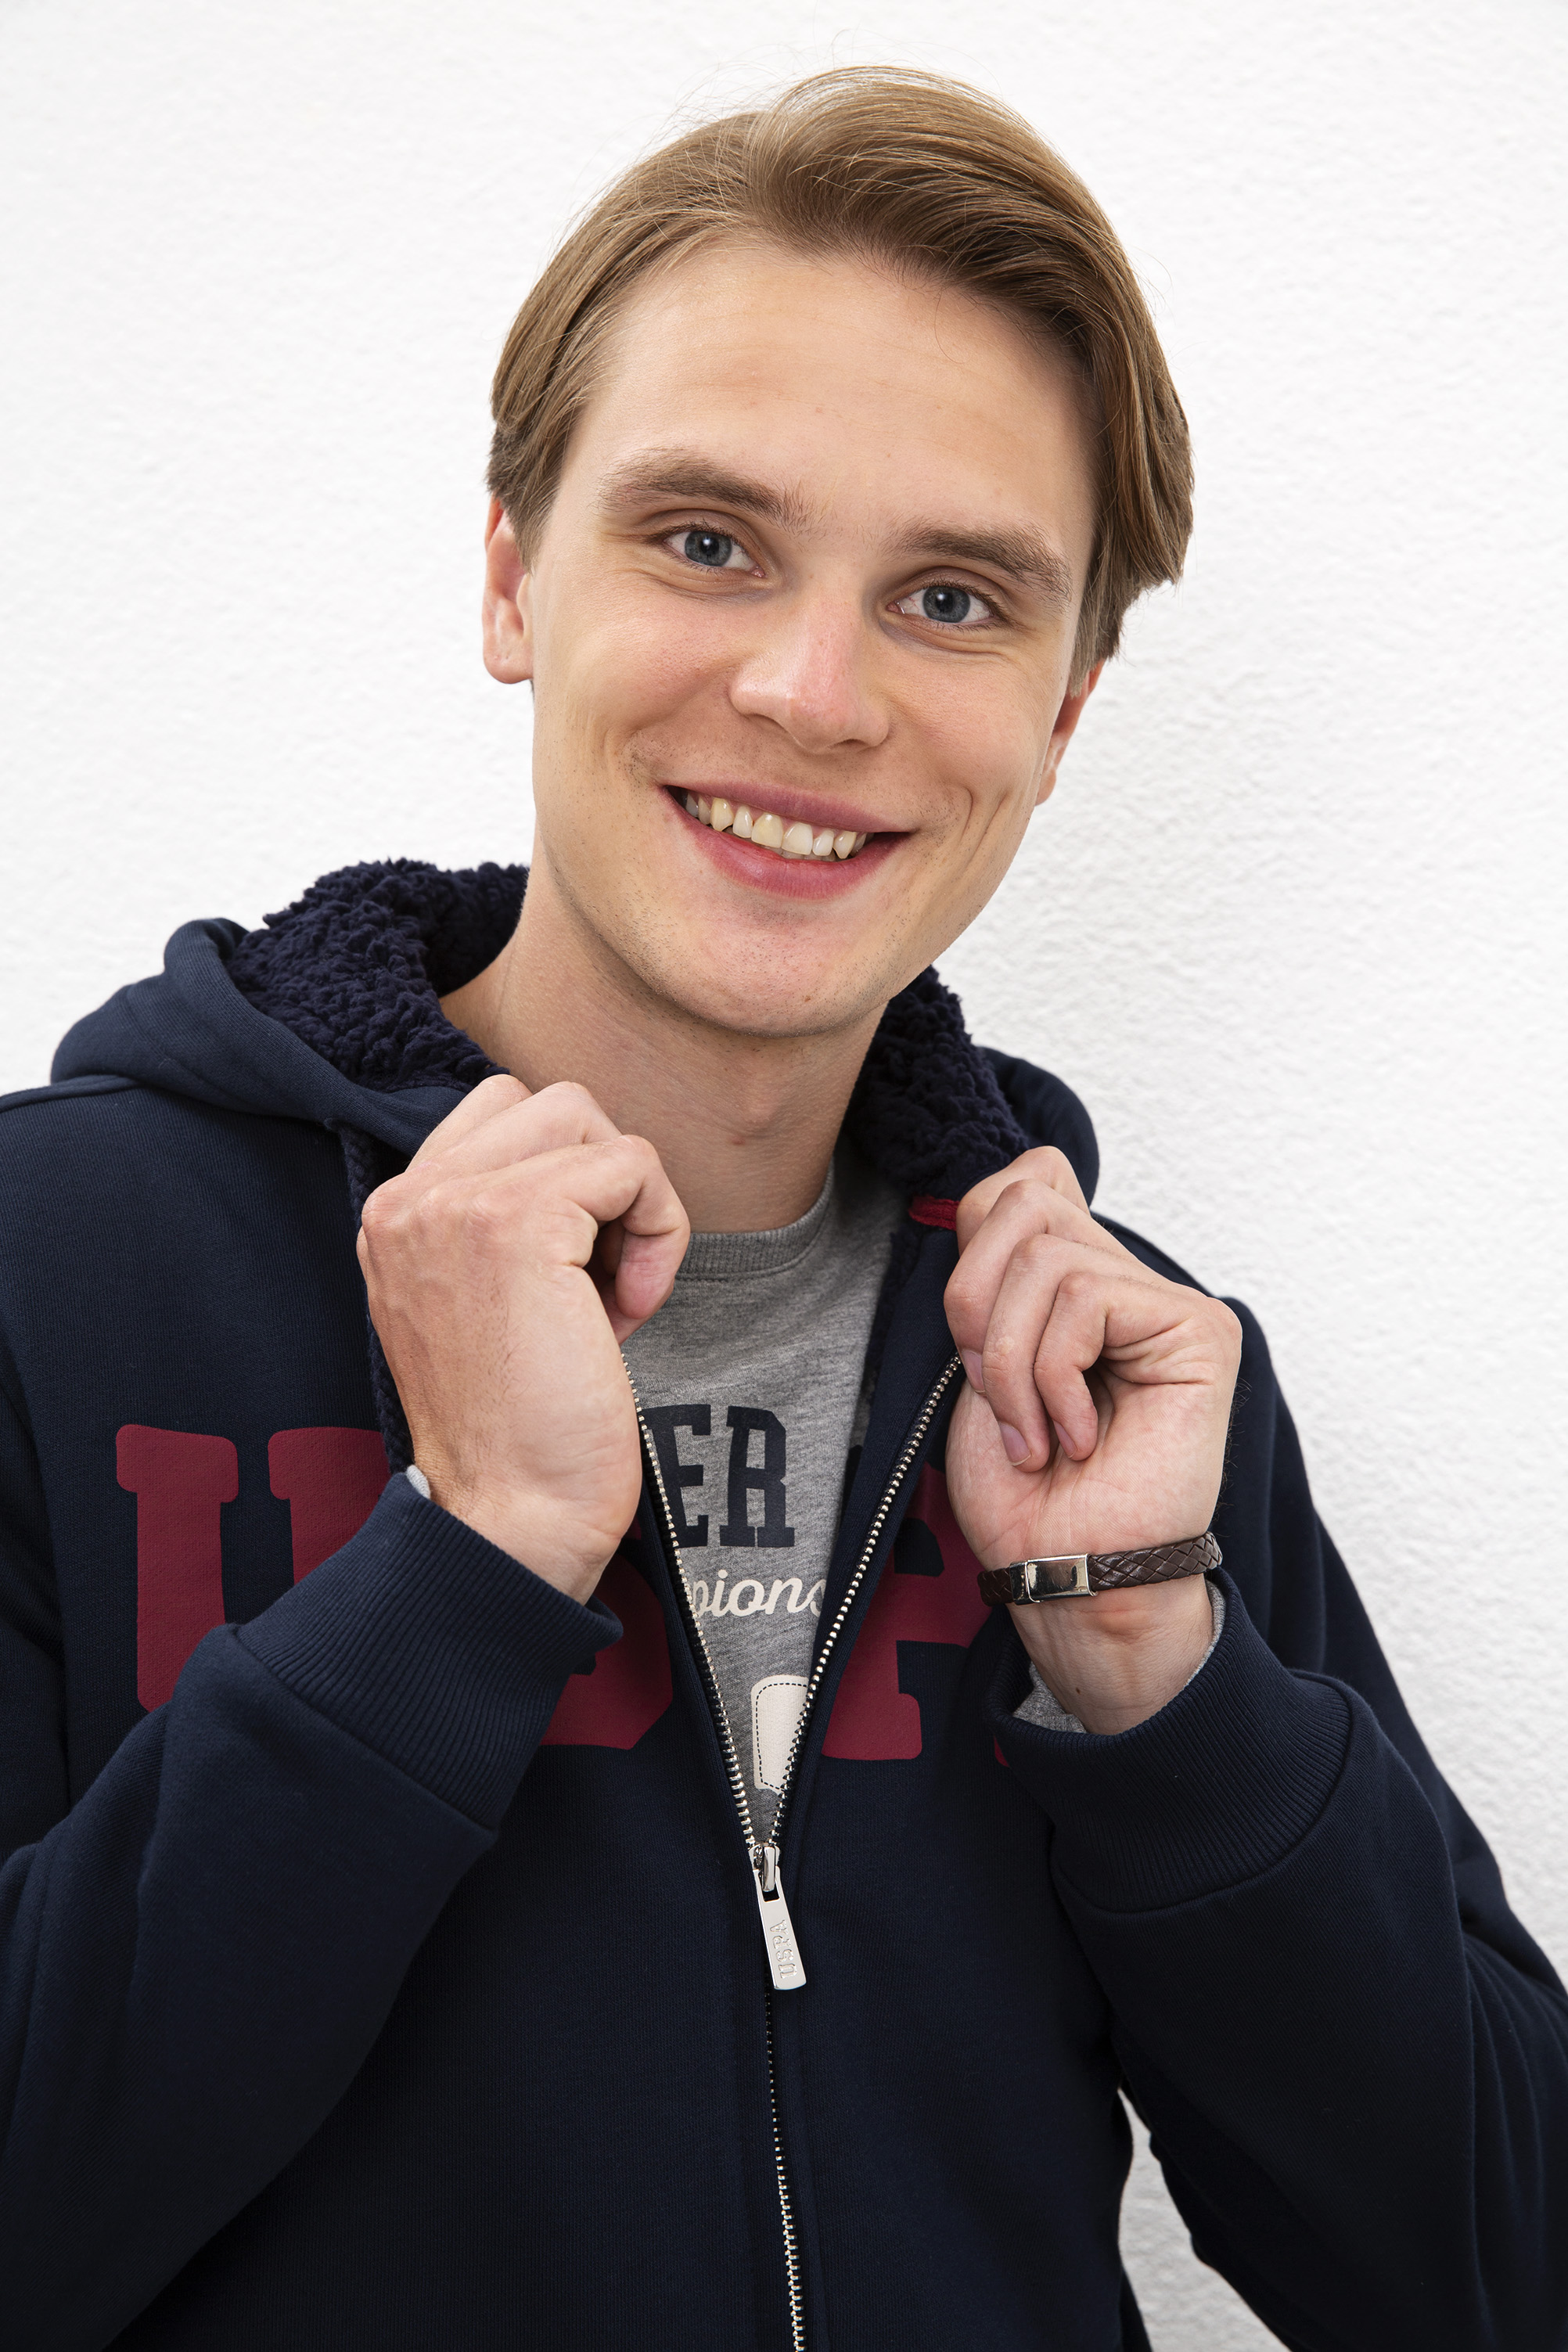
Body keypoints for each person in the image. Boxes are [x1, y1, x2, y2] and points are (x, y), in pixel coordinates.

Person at [0, 65, 1562, 2352]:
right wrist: (460, 1566)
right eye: (708, 541)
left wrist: (1156, 1678)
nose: (813, 694)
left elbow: (1491, 2283)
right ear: (514, 573)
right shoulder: (47, 1271)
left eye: (950, 596)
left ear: (1062, 713)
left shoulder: (1120, 1382)